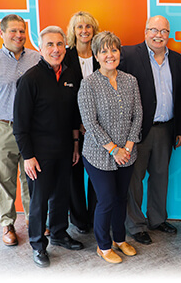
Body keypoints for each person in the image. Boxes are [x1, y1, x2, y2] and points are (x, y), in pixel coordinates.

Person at [13, 26, 83, 268]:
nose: (56, 49)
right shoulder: (30, 80)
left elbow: (74, 115)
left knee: (61, 195)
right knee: (39, 201)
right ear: (40, 49)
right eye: (50, 45)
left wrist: (75, 144)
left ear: (65, 47)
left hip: (65, 149)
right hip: (39, 154)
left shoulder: (71, 76)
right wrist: (28, 156)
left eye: (60, 44)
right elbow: (20, 125)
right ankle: (37, 244)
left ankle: (59, 234)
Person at [119, 15, 181, 245]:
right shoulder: (128, 55)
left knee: (160, 176)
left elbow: (180, 96)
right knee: (134, 180)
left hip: (166, 128)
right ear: (145, 31)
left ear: (169, 34)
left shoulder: (177, 59)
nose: (159, 35)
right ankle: (136, 225)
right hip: (136, 130)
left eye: (164, 31)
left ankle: (157, 220)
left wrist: (180, 128)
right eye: (154, 30)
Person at [0, 14, 40, 246]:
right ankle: (8, 223)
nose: (18, 35)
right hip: (4, 129)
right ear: (1, 33)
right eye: (13, 31)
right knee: (5, 180)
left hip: (32, 131)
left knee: (32, 178)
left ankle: (35, 220)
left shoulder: (37, 59)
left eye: (21, 31)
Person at [78, 31, 143, 264]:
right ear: (96, 56)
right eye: (103, 51)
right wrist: (114, 149)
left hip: (128, 153)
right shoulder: (88, 84)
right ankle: (103, 245)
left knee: (120, 198)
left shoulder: (130, 80)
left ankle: (119, 239)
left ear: (119, 53)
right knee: (105, 200)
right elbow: (90, 123)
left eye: (113, 49)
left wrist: (126, 147)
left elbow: (138, 116)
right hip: (99, 155)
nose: (109, 54)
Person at [63, 11, 101, 234]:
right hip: (72, 125)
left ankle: (97, 217)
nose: (84, 30)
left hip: (99, 125)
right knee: (73, 174)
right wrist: (78, 124)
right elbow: (64, 95)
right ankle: (79, 221)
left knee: (98, 173)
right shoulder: (65, 57)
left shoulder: (101, 54)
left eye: (88, 26)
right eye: (79, 27)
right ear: (73, 31)